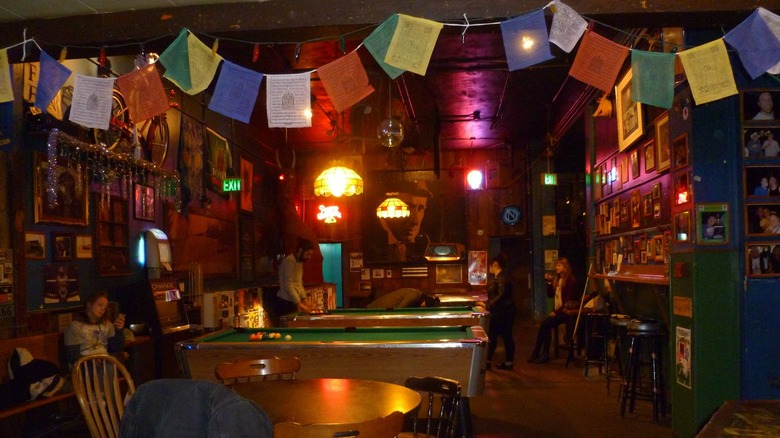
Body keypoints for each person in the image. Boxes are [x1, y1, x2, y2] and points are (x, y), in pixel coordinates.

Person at [528, 258, 579, 364]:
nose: (556, 268)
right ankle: (538, 353)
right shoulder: (558, 280)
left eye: (559, 265)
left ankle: (543, 353)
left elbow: (568, 300)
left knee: (545, 325)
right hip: (559, 311)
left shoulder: (570, 280)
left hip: (565, 312)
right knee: (544, 325)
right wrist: (549, 283)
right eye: (556, 265)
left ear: (565, 267)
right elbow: (550, 295)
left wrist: (556, 312)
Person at [63, 291, 125, 369]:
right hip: (84, 365)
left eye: (105, 307)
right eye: (100, 305)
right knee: (107, 368)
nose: (102, 309)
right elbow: (72, 356)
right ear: (89, 304)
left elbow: (116, 348)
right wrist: (91, 362)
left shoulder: (107, 324)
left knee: (112, 364)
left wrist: (118, 330)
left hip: (104, 360)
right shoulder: (75, 326)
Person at [378, 180, 432, 262]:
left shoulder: (425, 244)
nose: (415, 221)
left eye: (420, 209)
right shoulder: (374, 247)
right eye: (407, 208)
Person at [483, 253, 516, 370]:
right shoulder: (500, 278)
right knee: (501, 336)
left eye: (490, 265)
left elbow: (501, 295)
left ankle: (492, 361)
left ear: (495, 264)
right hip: (503, 311)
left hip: (503, 312)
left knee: (500, 336)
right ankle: (506, 362)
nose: (489, 268)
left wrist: (488, 304)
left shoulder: (501, 278)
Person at [274, 238, 315, 323]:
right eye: (308, 254)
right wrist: (299, 303)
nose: (309, 257)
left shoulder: (299, 261)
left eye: (310, 255)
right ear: (300, 250)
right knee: (287, 327)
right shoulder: (289, 261)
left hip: (292, 301)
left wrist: (304, 299)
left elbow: (299, 282)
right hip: (284, 302)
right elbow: (288, 284)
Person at [366, 288, 439, 308]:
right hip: (376, 308)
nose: (422, 307)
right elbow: (399, 310)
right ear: (424, 301)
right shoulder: (413, 296)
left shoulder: (417, 294)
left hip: (383, 308)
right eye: (424, 306)